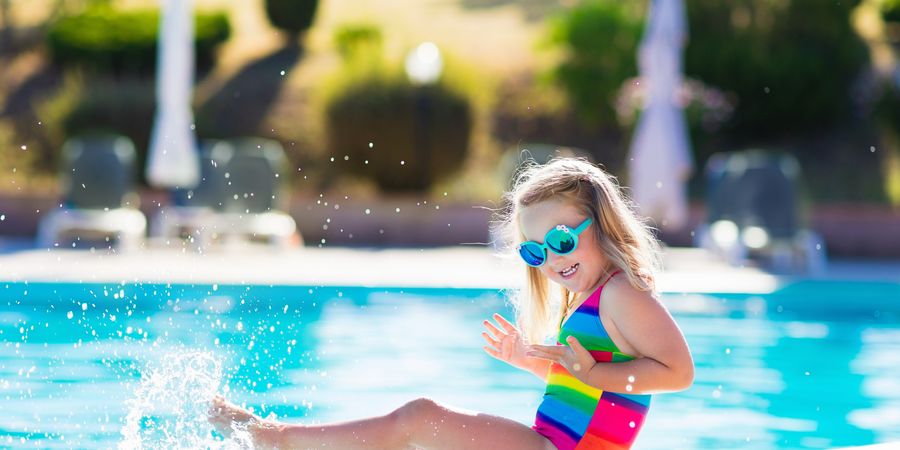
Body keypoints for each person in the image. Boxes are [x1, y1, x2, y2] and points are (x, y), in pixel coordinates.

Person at [208, 158, 694, 449]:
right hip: (551, 441)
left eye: (562, 241)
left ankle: (276, 438)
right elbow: (596, 393)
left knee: (418, 418)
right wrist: (534, 362)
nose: (552, 260)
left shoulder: (622, 293)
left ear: (600, 223)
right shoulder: (592, 295)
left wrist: (593, 375)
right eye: (536, 250)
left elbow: (678, 373)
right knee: (418, 428)